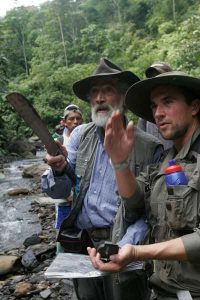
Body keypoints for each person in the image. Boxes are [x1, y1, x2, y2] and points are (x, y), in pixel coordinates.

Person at [41, 58, 163, 300]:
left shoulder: (150, 147)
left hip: (125, 244)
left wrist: (124, 248)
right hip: (83, 244)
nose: (99, 98)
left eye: (107, 90)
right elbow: (58, 192)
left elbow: (151, 213)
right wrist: (58, 169)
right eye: (94, 92)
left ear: (124, 97)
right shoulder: (79, 135)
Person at [88, 71, 200, 300]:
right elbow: (136, 201)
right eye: (154, 106)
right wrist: (119, 163)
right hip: (165, 290)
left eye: (168, 102)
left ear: (194, 106)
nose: (158, 113)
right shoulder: (169, 161)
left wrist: (137, 252)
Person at [53, 104, 83, 253]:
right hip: (64, 199)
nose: (75, 121)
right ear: (63, 122)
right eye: (71, 119)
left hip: (82, 196)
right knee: (62, 233)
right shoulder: (58, 140)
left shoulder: (86, 138)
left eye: (78, 118)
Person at [137, 62, 173, 150]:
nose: (158, 114)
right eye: (151, 78)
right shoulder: (146, 115)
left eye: (160, 77)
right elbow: (140, 140)